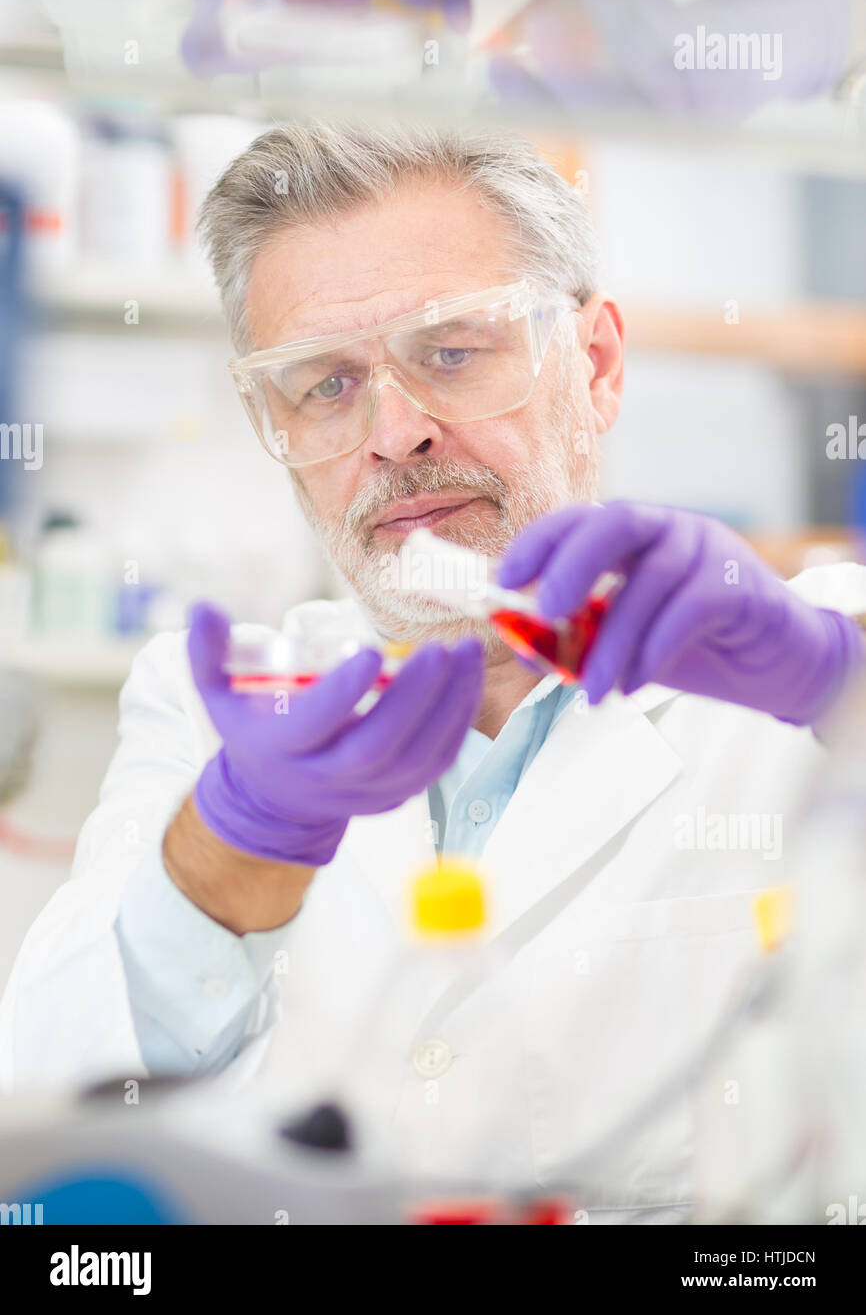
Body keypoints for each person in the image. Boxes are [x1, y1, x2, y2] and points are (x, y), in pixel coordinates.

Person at [2, 120, 864, 1221]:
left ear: (591, 367)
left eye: (451, 351)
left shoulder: (795, 681)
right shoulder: (212, 708)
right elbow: (58, 1142)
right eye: (322, 384)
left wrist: (836, 687)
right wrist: (217, 869)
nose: (395, 431)